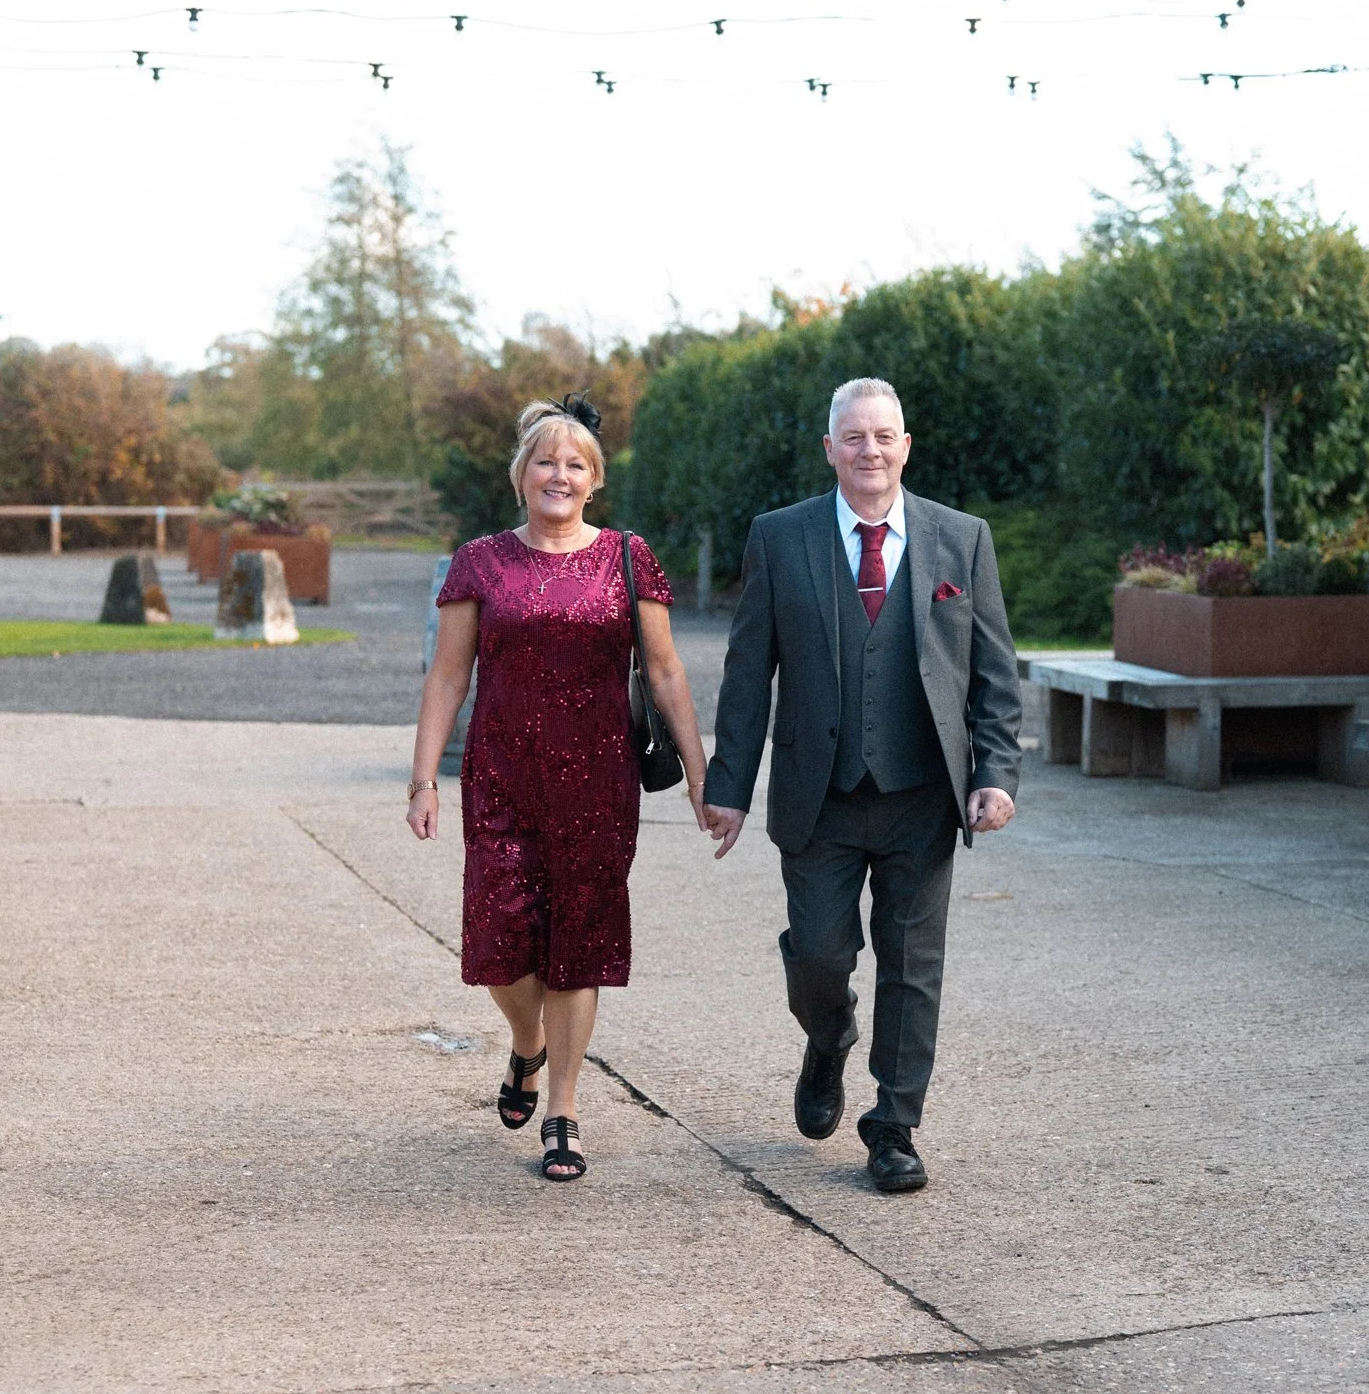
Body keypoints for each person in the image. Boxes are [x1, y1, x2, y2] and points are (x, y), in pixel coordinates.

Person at [702, 377, 1022, 1193]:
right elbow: (748, 674)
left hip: (922, 795)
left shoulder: (962, 540)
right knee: (818, 956)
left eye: (884, 436)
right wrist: (728, 784)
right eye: (854, 437)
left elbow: (992, 673)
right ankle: (828, 1035)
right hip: (820, 795)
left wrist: (994, 774)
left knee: (913, 964)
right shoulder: (780, 538)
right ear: (830, 449)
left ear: (905, 446)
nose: (869, 451)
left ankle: (893, 1128)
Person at [407, 395, 706, 1182]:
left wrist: (702, 774)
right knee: (500, 948)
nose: (559, 474)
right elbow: (448, 675)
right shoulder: (480, 562)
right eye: (546, 460)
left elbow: (667, 672)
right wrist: (422, 778)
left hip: (599, 783)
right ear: (521, 473)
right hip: (503, 776)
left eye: (575, 464)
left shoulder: (626, 558)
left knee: (580, 947)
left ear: (594, 480)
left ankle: (563, 1109)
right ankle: (527, 1045)